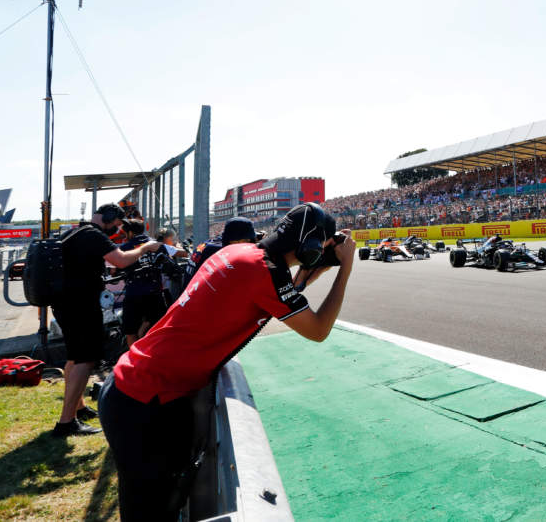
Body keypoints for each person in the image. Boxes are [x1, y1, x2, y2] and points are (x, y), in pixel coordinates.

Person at [99, 203, 355, 521]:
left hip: (133, 388)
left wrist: (321, 264)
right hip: (145, 400)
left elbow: (286, 291)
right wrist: (345, 269)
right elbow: (317, 330)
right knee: (152, 513)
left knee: (158, 504)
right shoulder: (265, 273)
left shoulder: (241, 255)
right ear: (312, 245)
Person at [51, 204, 162, 436]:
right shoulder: (93, 235)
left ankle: (78, 407)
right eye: (117, 225)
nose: (117, 230)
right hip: (80, 304)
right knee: (85, 359)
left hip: (65, 303)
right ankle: (66, 422)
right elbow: (121, 260)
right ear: (110, 218)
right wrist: (145, 248)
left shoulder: (74, 232)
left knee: (74, 356)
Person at [180, 216, 257, 288]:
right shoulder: (218, 251)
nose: (247, 245)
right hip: (198, 299)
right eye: (244, 240)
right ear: (233, 239)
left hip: (189, 295)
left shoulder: (211, 244)